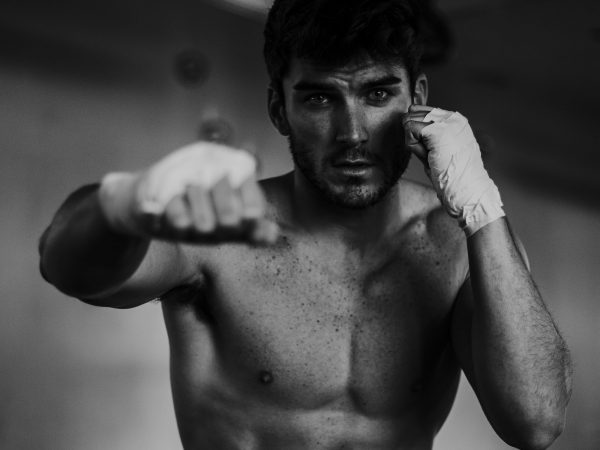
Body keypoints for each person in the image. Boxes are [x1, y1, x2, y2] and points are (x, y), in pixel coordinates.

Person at [39, 0, 572, 448]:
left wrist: (482, 207)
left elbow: (536, 422)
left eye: (378, 94)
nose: (353, 133)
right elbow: (68, 270)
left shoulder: (457, 240)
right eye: (320, 98)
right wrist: (126, 202)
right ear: (279, 109)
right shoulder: (223, 233)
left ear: (418, 101)